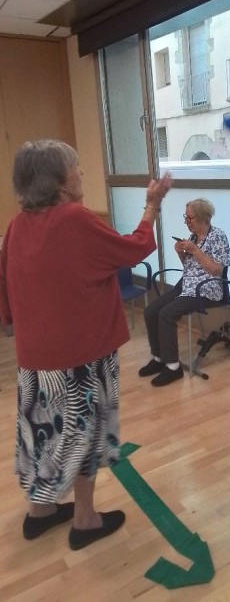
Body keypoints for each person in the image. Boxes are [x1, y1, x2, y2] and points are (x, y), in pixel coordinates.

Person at [0, 139, 171, 550]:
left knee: (42, 434)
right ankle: (85, 519)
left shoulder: (17, 224)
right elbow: (133, 250)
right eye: (76, 166)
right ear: (61, 183)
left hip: (35, 357)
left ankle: (40, 512)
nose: (82, 172)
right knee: (85, 434)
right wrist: (152, 205)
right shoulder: (74, 218)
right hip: (81, 355)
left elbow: (6, 286)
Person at [139, 198, 230, 387]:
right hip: (187, 284)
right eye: (186, 217)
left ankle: (173, 367)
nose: (186, 222)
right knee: (151, 311)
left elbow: (216, 270)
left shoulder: (218, 236)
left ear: (203, 218)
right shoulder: (193, 238)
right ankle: (158, 358)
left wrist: (195, 251)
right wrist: (181, 253)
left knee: (167, 314)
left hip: (206, 288)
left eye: (190, 218)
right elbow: (189, 267)